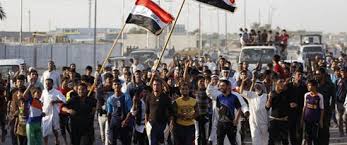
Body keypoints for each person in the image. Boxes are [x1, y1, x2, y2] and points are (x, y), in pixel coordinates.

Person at [239, 71, 269, 145]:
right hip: (253, 122)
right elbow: (241, 91)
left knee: (265, 140)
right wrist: (243, 81)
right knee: (255, 139)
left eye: (259, 85)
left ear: (262, 87)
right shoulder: (251, 95)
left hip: (264, 121)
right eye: (256, 85)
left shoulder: (266, 96)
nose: (257, 87)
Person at [145, 79, 174, 145]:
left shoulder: (166, 98)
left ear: (161, 86)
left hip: (163, 125)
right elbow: (147, 111)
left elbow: (171, 112)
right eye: (154, 85)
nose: (156, 86)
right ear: (152, 86)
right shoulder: (149, 97)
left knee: (163, 143)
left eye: (158, 85)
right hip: (151, 125)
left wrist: (171, 123)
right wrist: (146, 123)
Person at [41, 78, 66, 145]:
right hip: (45, 113)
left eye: (49, 83)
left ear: (52, 84)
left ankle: (57, 140)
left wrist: (55, 101)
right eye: (46, 83)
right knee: (45, 129)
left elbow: (64, 100)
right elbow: (41, 101)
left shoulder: (56, 92)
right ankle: (45, 143)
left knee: (55, 128)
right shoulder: (44, 91)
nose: (47, 85)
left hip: (54, 112)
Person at [216, 80, 242, 145]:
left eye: (223, 85)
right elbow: (218, 109)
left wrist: (236, 120)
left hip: (230, 123)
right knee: (219, 142)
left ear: (228, 86)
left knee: (233, 142)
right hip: (221, 123)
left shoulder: (234, 97)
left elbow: (239, 109)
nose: (221, 87)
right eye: (220, 86)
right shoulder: (219, 97)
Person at [107, 80, 132, 145]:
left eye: (118, 84)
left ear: (121, 86)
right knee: (112, 141)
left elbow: (130, 111)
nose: (117, 86)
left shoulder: (126, 97)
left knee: (125, 142)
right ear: (112, 86)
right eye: (115, 84)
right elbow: (109, 113)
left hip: (124, 123)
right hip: (114, 122)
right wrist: (109, 126)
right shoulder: (110, 99)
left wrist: (126, 121)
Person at [286, 69, 307, 145]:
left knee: (299, 131)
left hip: (300, 112)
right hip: (290, 113)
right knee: (292, 131)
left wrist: (298, 105)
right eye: (298, 75)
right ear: (294, 76)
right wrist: (289, 104)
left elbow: (305, 100)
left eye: (301, 75)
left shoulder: (304, 87)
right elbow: (285, 99)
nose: (300, 76)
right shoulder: (288, 86)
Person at [266, 79, 290, 145]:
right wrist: (269, 98)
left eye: (283, 82)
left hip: (284, 120)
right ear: (277, 84)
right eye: (280, 82)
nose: (282, 83)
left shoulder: (286, 93)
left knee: (285, 140)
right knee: (271, 140)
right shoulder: (272, 93)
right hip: (274, 120)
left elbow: (288, 106)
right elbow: (267, 107)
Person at [315, 68, 335, 145]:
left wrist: (331, 109)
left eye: (318, 74)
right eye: (316, 74)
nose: (316, 76)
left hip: (326, 111)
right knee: (316, 131)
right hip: (315, 111)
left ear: (323, 74)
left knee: (325, 131)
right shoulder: (314, 84)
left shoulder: (330, 85)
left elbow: (333, 98)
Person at [301, 80, 324, 145]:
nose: (308, 87)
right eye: (308, 85)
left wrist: (321, 120)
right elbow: (304, 107)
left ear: (314, 86)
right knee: (308, 137)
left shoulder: (320, 96)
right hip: (307, 119)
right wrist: (302, 119)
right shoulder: (306, 95)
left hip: (315, 120)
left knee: (315, 137)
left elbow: (322, 109)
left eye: (309, 85)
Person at [336, 67, 347, 136]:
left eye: (344, 72)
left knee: (345, 117)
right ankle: (341, 131)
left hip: (346, 101)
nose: (342, 73)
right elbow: (335, 90)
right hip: (339, 101)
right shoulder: (338, 80)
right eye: (341, 72)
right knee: (339, 118)